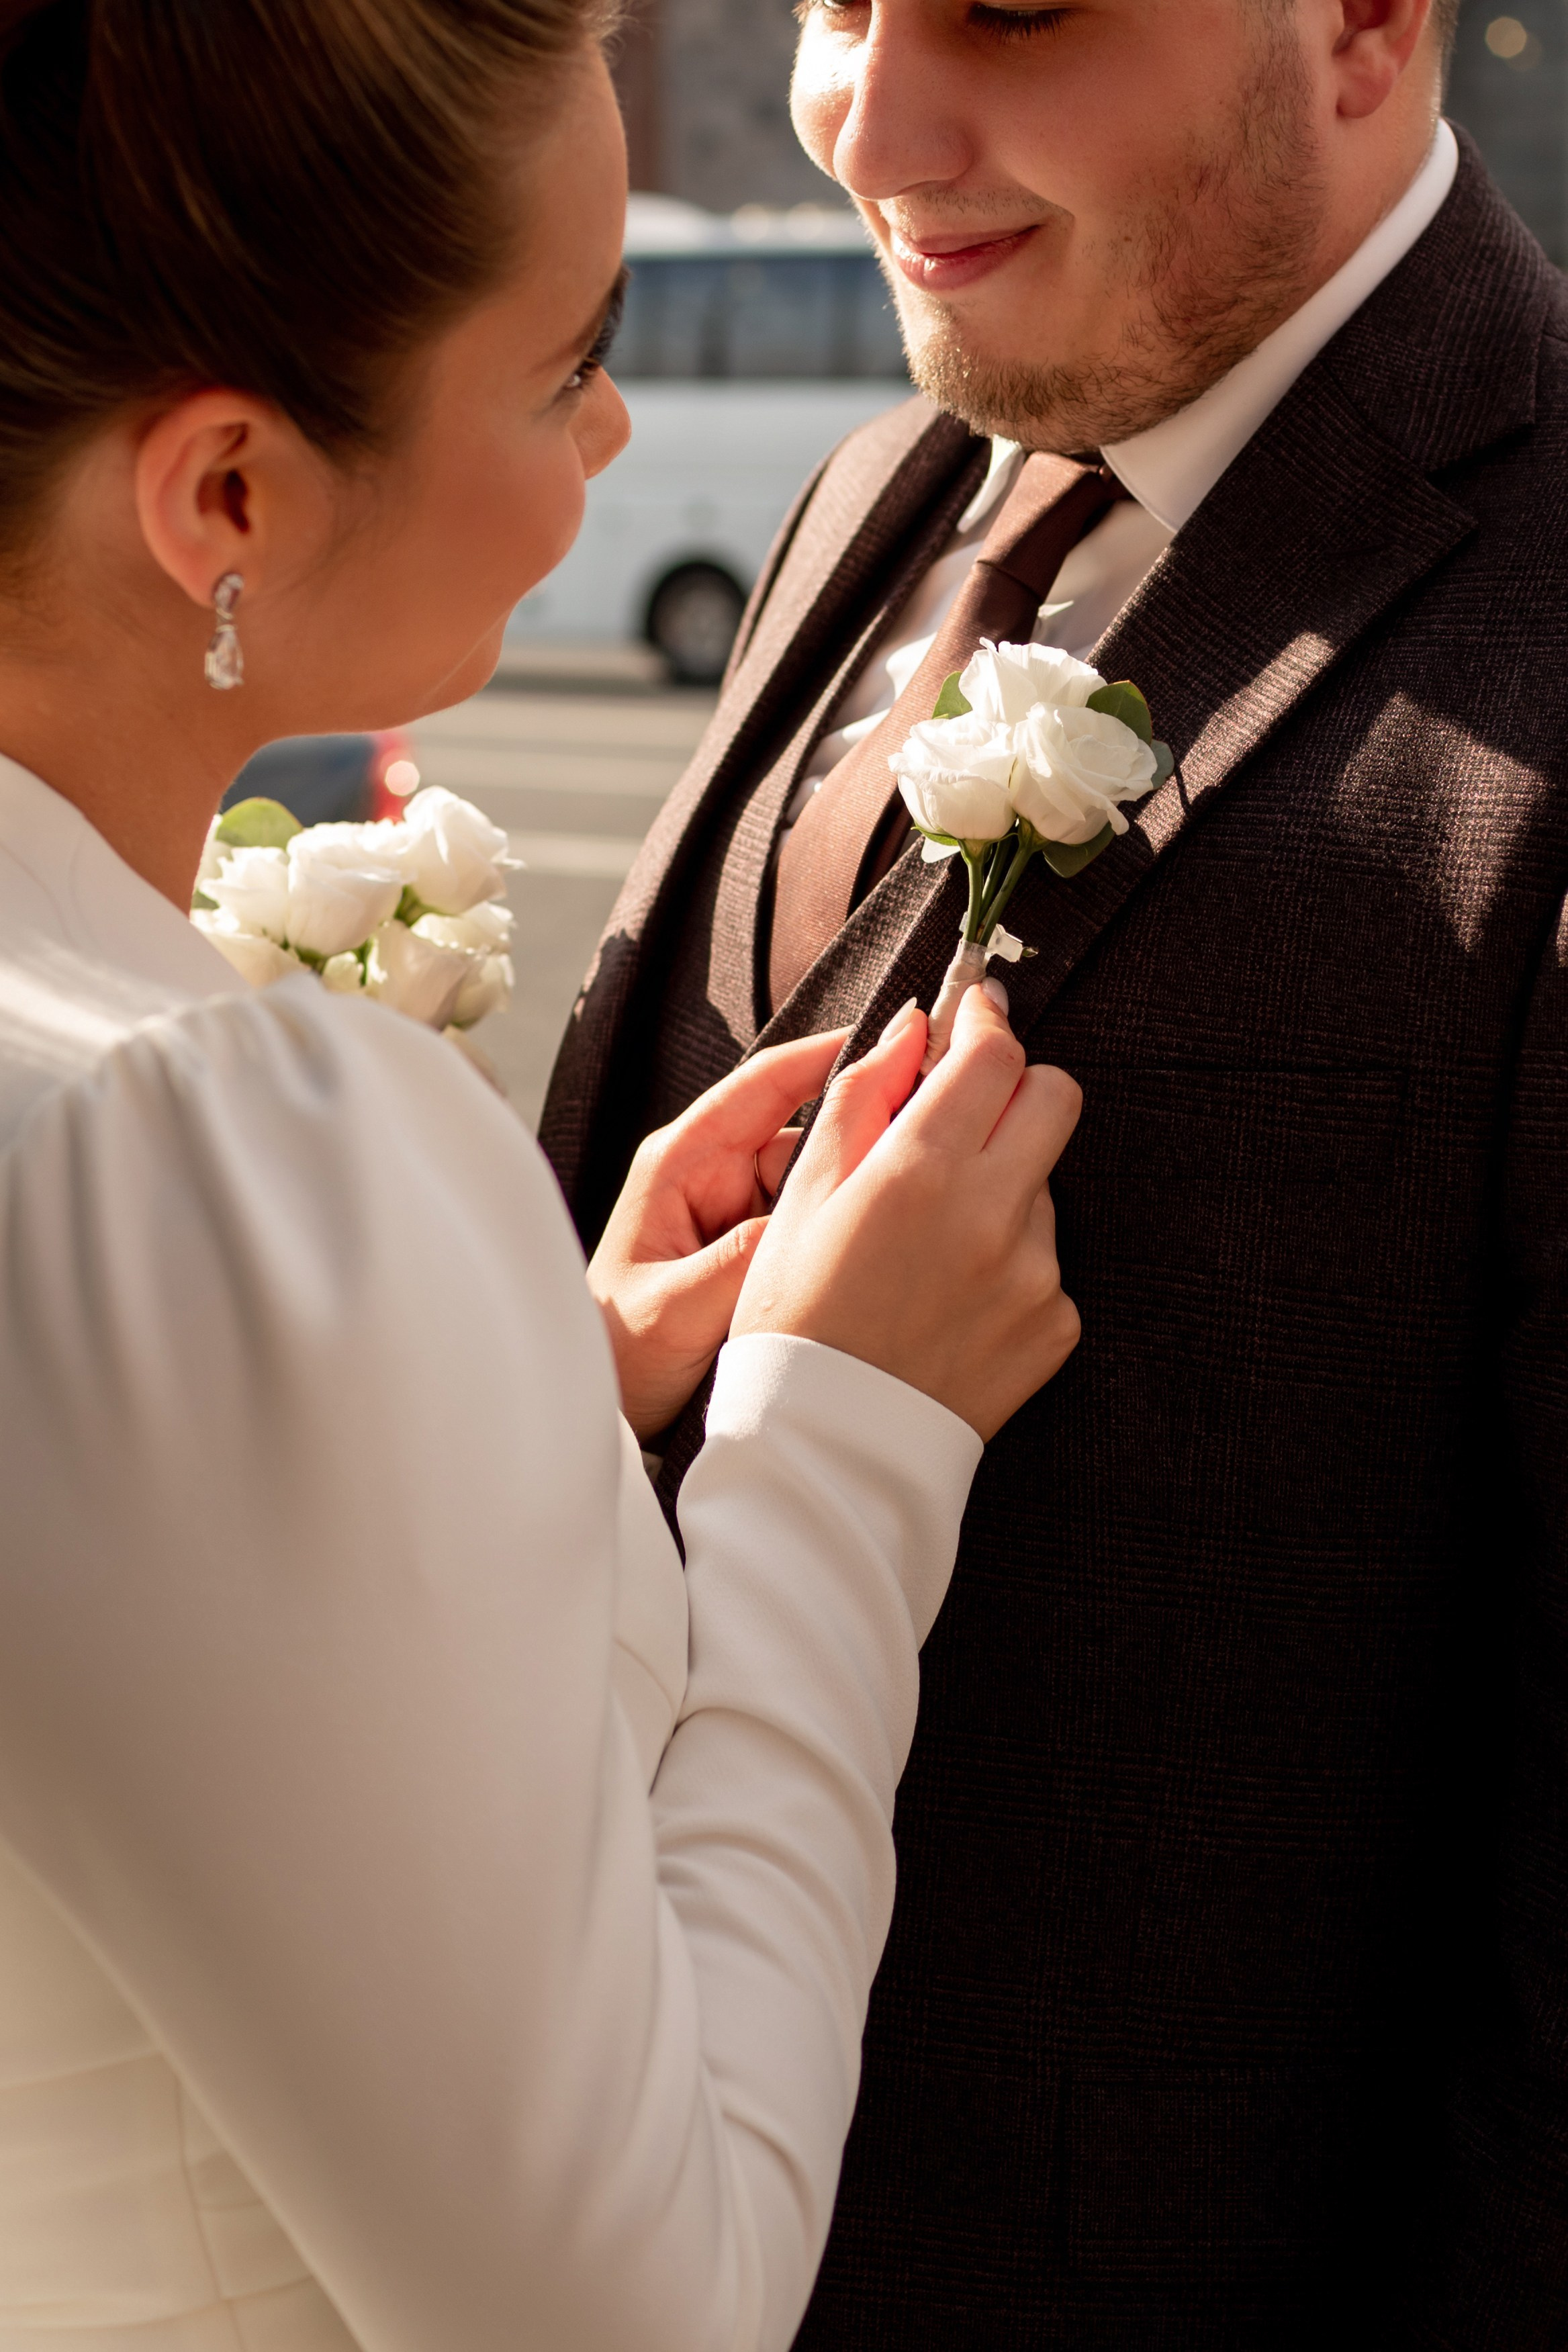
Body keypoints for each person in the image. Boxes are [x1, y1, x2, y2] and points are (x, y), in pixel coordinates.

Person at [0, 1, 1087, 2345]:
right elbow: (632, 2313)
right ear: (228, 497)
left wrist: (511, 1396)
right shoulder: (173, 1145)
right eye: (565, 362)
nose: (617, 429)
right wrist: (834, 1452)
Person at [541, 0, 1568, 2342]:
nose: (866, 127)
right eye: (828, 1)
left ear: (1373, 22)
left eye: (1011, 6)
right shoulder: (863, 497)